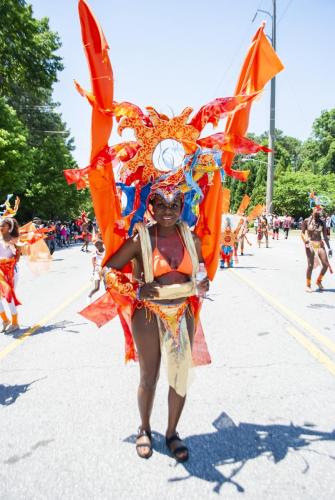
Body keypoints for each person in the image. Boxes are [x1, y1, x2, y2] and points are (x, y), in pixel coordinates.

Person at [103, 185, 209, 462]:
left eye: (174, 205)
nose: (167, 211)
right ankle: (145, 429)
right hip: (148, 314)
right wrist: (136, 290)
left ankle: (172, 433)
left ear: (182, 206)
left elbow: (200, 270)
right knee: (149, 377)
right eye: (160, 203)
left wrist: (202, 283)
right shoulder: (140, 239)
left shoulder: (192, 239)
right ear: (150, 205)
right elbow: (109, 271)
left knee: (179, 377)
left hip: (182, 311)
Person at [301, 207, 332, 292]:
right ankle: (308, 285)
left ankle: (319, 281)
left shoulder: (322, 222)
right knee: (310, 265)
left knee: (325, 265)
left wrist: (329, 248)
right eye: (316, 209)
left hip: (319, 244)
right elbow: (302, 233)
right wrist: (306, 241)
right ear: (313, 210)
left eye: (320, 210)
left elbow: (325, 236)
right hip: (310, 244)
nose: (318, 211)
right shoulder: (306, 220)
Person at [0, 217, 21, 333]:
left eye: (3, 225)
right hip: (0, 272)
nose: (1, 226)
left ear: (10, 227)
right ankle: (5, 320)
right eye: (0, 224)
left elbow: (17, 258)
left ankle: (15, 322)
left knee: (9, 297)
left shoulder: (13, 239)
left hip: (11, 272)